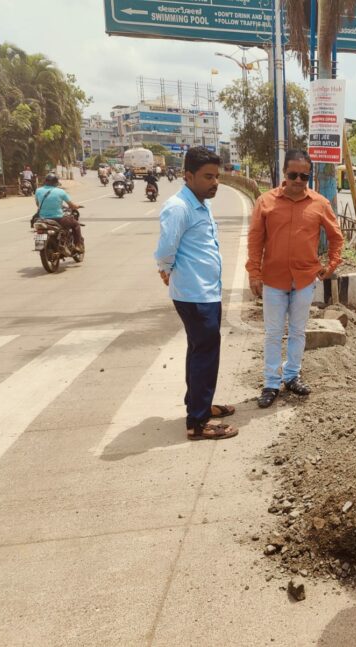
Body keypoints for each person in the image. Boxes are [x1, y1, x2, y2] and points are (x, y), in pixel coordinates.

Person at [246, 149, 345, 409]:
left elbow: (336, 237)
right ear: (284, 174)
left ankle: (291, 376)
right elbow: (255, 240)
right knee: (273, 333)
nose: (299, 180)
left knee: (298, 331)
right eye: (293, 175)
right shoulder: (266, 202)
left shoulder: (320, 203)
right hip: (273, 280)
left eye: (304, 175)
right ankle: (270, 382)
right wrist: (253, 272)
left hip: (304, 279)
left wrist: (332, 264)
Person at [153, 146, 237, 441]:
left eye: (216, 176)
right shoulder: (179, 207)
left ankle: (198, 406)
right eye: (207, 177)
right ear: (188, 176)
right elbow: (166, 248)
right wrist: (165, 267)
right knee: (205, 355)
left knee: (199, 351)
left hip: (206, 292)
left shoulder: (200, 202)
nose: (214, 182)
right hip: (194, 294)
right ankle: (198, 424)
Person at [33, 173, 84, 251]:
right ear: (56, 182)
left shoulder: (38, 190)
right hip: (58, 218)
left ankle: (46, 245)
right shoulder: (60, 191)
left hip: (42, 219)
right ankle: (78, 245)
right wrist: (77, 206)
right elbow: (71, 205)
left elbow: (37, 204)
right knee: (76, 224)